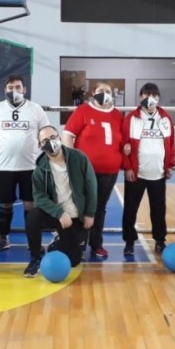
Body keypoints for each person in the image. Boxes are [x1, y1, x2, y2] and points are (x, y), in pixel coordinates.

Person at [0, 75, 50, 251]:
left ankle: (32, 240)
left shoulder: (35, 109)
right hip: (5, 166)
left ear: (24, 89)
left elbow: (46, 132)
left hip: (30, 166)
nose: (15, 90)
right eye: (10, 87)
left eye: (18, 87)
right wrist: (2, 144)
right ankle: (4, 238)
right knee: (5, 204)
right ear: (5, 90)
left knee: (31, 204)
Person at [24, 126, 97, 277]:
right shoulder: (40, 169)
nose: (51, 142)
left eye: (53, 137)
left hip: (76, 216)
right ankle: (35, 258)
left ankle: (57, 241)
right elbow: (39, 197)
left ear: (59, 137)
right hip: (57, 215)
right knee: (32, 216)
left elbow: (92, 185)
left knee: (74, 260)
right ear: (40, 146)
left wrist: (90, 213)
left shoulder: (78, 157)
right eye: (45, 140)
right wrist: (59, 213)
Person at [62, 81, 123, 258]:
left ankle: (96, 244)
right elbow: (67, 136)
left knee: (100, 208)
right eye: (100, 90)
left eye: (108, 91)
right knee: (81, 207)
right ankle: (78, 244)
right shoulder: (82, 111)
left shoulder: (118, 115)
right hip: (85, 171)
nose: (104, 93)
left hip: (110, 171)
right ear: (93, 93)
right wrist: (71, 162)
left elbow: (123, 140)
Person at [121, 83, 175, 255]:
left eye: (154, 95)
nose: (150, 98)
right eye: (146, 94)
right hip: (136, 174)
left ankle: (160, 240)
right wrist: (128, 168)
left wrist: (169, 165)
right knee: (130, 209)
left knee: (158, 210)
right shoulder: (131, 118)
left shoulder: (166, 118)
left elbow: (171, 144)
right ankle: (129, 241)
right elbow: (124, 144)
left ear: (159, 98)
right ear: (140, 97)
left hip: (158, 173)